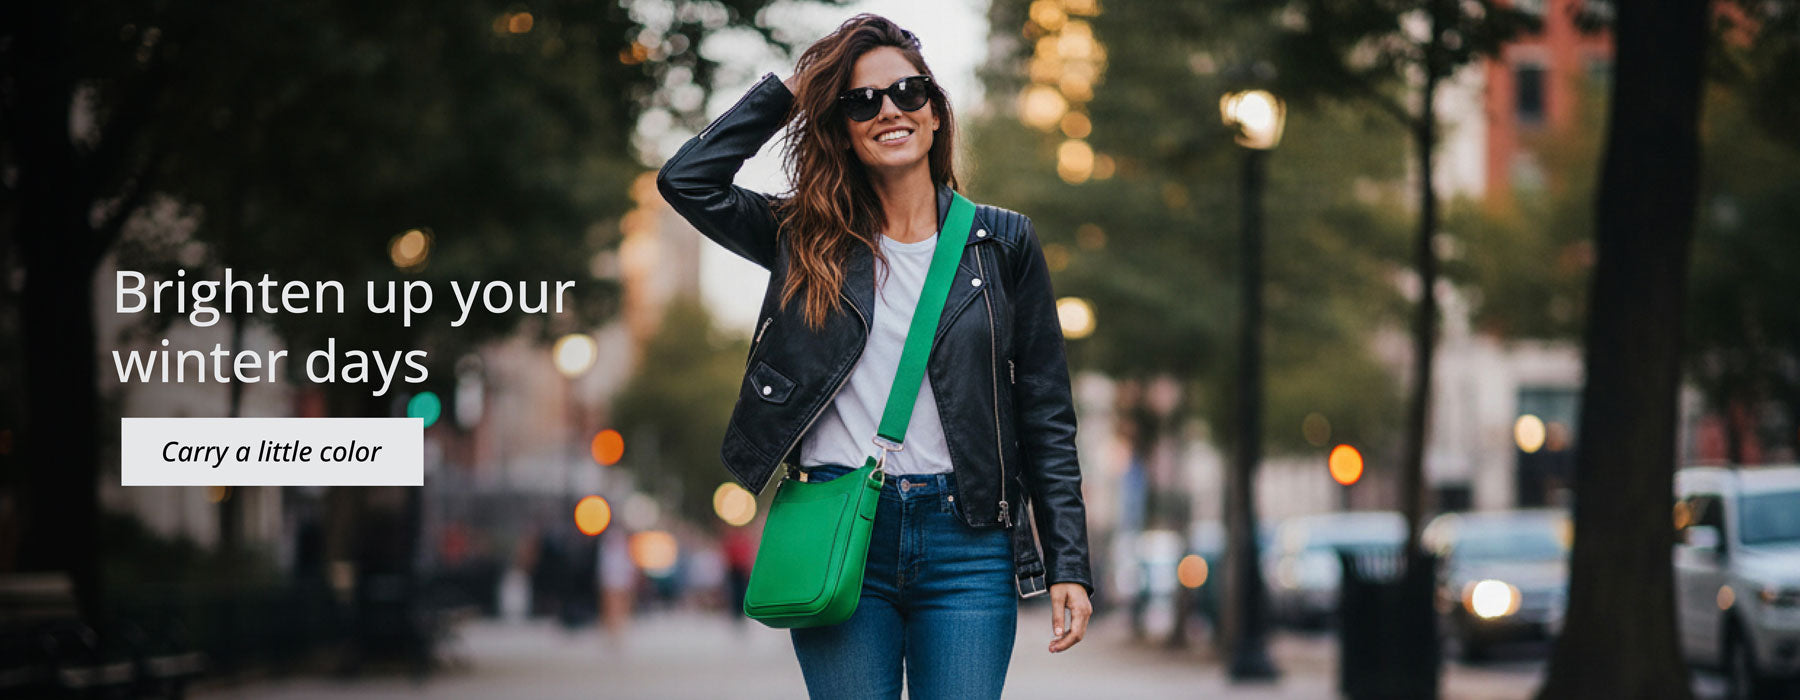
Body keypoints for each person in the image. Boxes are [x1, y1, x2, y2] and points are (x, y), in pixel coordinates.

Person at [656, 13, 1094, 699]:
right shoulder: (805, 239)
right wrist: (793, 90)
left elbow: (1046, 412)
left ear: (936, 113)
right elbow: (688, 181)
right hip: (838, 529)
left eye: (907, 92)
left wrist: (1069, 561)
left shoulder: (1004, 244)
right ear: (842, 128)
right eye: (862, 101)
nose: (889, 110)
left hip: (969, 541)